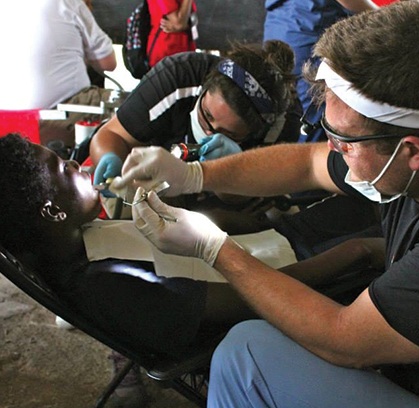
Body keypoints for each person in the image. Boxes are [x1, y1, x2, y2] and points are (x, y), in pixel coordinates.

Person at [113, 2, 419, 406]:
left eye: (346, 141)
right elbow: (307, 163)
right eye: (329, 132)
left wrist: (215, 249)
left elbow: (345, 339)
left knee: (246, 354)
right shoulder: (405, 167)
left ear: (413, 151)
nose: (334, 148)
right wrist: (195, 175)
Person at [0, 134, 386, 406]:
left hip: (275, 247)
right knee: (386, 216)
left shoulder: (85, 243)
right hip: (293, 281)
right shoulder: (112, 286)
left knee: (365, 199)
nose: (73, 161)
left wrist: (194, 199)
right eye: (62, 168)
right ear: (52, 211)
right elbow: (247, 300)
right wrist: (356, 251)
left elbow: (216, 230)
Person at [89, 40, 300, 189]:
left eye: (229, 133)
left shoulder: (279, 127)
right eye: (207, 115)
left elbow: (250, 201)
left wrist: (227, 172)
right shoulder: (177, 76)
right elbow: (111, 135)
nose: (209, 132)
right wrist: (110, 159)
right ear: (205, 86)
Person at [0, 0, 117, 149]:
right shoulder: (66, 2)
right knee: (127, 108)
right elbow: (108, 64)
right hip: (56, 117)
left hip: (5, 121)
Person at [263, 0, 381, 143]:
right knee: (314, 115)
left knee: (289, 113)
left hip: (286, 22)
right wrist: (384, 16)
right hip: (308, 27)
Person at [147, 0, 198, 68]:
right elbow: (179, 24)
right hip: (167, 53)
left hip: (186, 50)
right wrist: (183, 25)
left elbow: (192, 19)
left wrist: (186, 25)